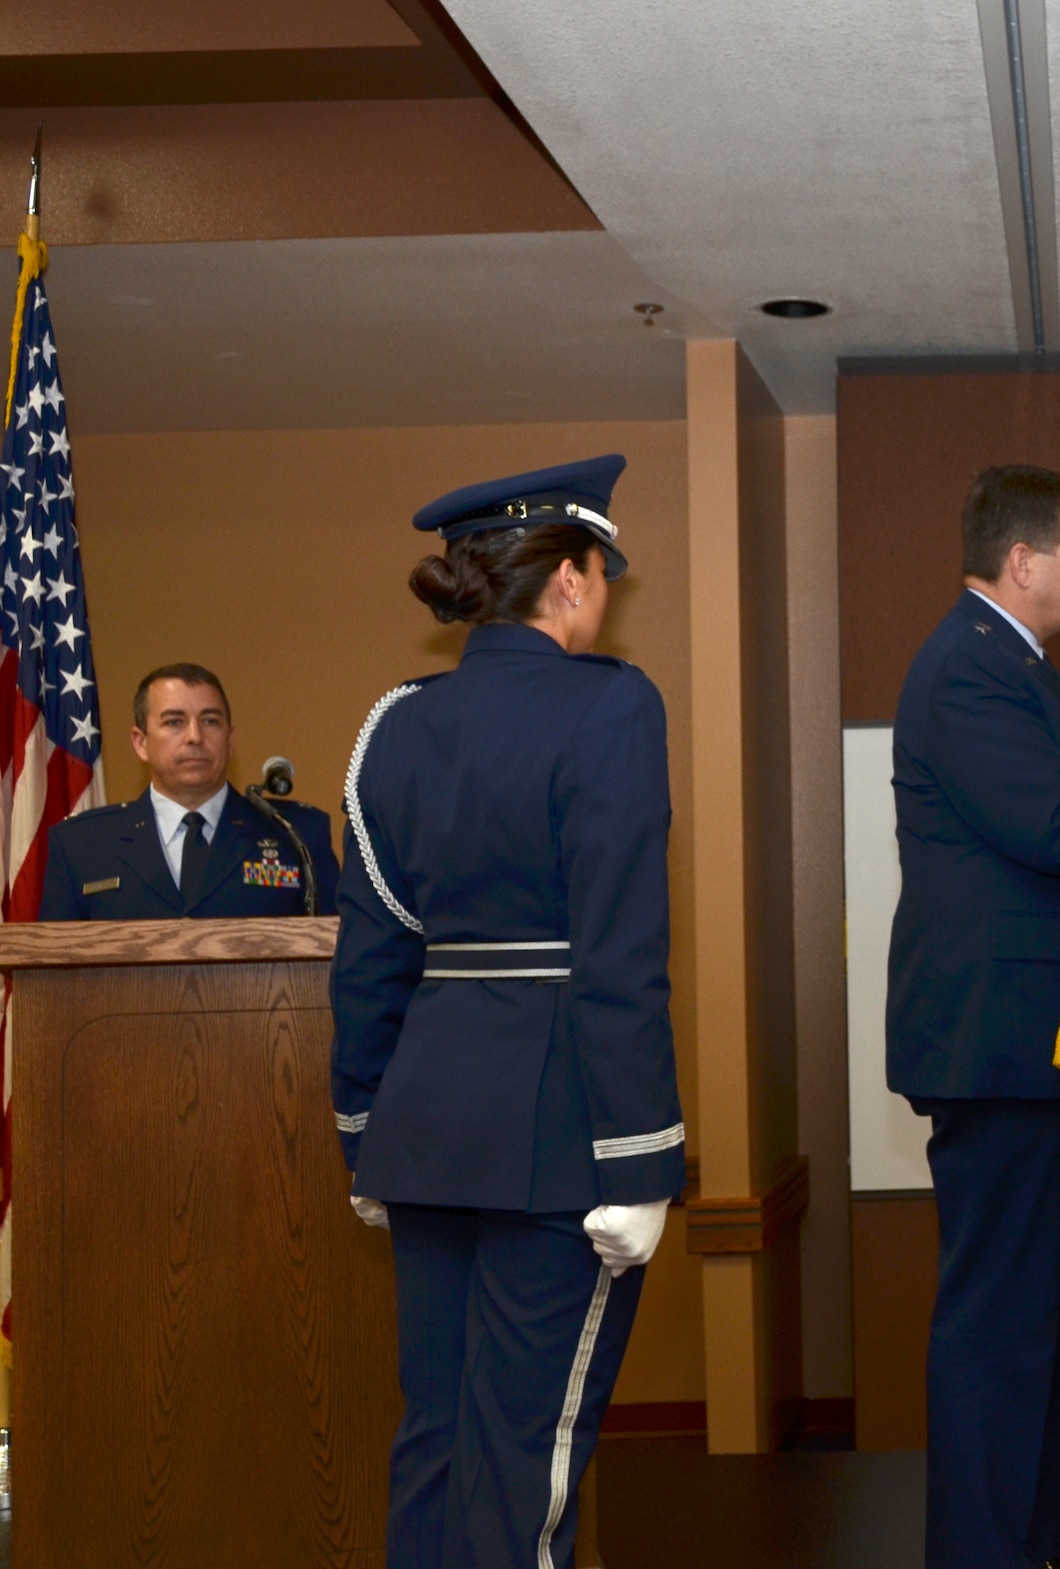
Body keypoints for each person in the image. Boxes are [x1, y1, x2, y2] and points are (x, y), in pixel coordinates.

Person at [331, 455, 685, 1569]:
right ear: (572, 580)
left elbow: (373, 954)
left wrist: (362, 1137)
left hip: (425, 1135)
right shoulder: (612, 703)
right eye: (601, 575)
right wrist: (639, 1164)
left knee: (436, 1439)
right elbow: (621, 951)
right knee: (523, 1459)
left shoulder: (394, 723)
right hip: (562, 1139)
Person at [887, 464, 1060, 1569]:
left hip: (1030, 1041)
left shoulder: (1012, 669)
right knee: (994, 1332)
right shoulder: (970, 670)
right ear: (1021, 563)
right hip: (999, 1042)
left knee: (1026, 1332)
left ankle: (1019, 1548)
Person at [39, 662, 339, 920]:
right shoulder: (81, 845)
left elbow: (334, 954)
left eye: (210, 721)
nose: (195, 737)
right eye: (174, 722)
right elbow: (51, 973)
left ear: (230, 740)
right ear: (140, 742)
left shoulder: (296, 834)